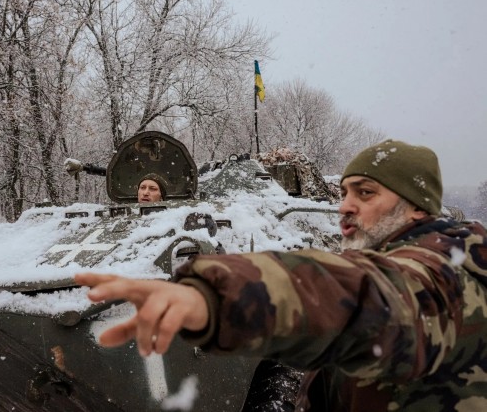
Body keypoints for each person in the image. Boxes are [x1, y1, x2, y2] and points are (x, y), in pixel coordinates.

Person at [75, 140, 487, 412]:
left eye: (365, 193)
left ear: (416, 208)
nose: (344, 207)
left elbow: (362, 292)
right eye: (344, 193)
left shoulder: (443, 275)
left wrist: (218, 296)